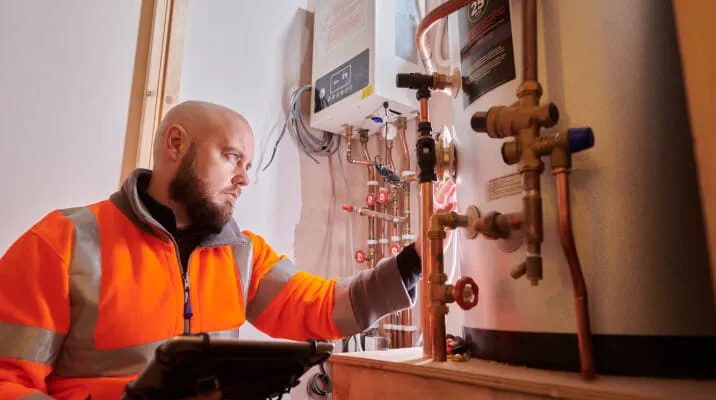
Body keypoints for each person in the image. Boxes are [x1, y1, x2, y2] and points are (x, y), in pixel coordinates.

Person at [0, 100, 445, 399]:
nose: (245, 178)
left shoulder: (242, 254)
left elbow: (325, 306)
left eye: (249, 165)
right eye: (233, 157)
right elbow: (7, 381)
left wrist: (417, 260)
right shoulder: (61, 242)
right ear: (176, 144)